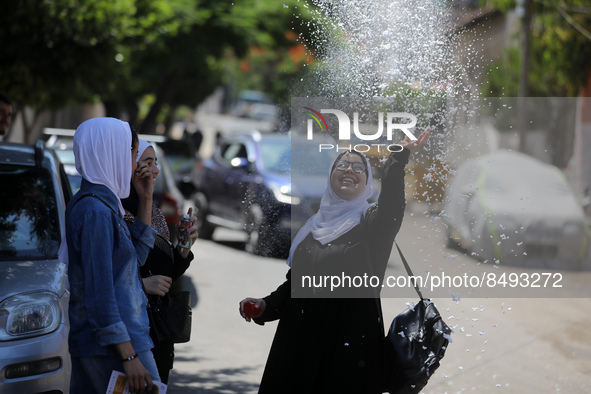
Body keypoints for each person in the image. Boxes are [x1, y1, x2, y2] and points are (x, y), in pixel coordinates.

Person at [239, 130, 430, 393]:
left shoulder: (373, 225)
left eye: (358, 167)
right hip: (298, 346)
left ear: (367, 182)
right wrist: (265, 305)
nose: (349, 169)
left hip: (348, 350)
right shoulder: (312, 227)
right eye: (342, 164)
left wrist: (399, 157)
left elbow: (392, 205)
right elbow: (294, 285)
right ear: (331, 175)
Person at [66, 117, 159, 394]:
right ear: (113, 152)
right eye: (133, 152)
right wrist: (129, 356)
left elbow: (132, 264)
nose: (135, 163)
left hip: (117, 341)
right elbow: (100, 293)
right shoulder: (95, 211)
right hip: (112, 346)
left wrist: (146, 200)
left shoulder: (104, 205)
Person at [122, 139, 198, 384]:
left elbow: (166, 276)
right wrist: (143, 285)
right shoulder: (111, 212)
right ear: (127, 166)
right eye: (146, 162)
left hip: (158, 335)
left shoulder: (153, 211)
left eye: (155, 163)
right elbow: (106, 279)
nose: (155, 170)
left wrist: (183, 248)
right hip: (130, 340)